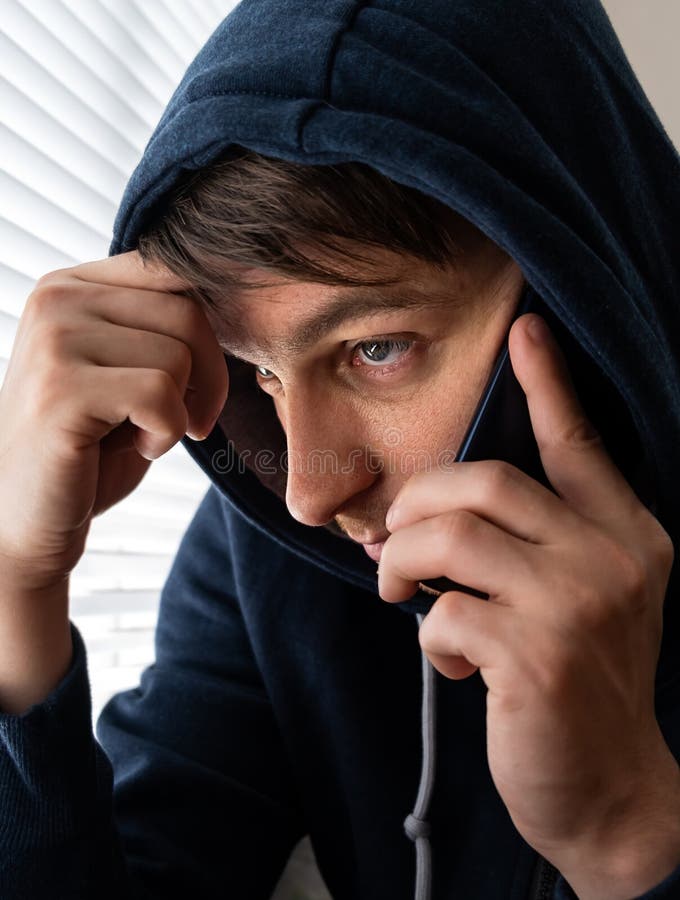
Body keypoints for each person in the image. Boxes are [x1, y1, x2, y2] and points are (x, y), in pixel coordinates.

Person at [1, 1, 679, 898]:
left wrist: (626, 835)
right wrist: (16, 588)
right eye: (258, 373)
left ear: (573, 286)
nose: (310, 496)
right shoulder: (265, 554)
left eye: (377, 348)